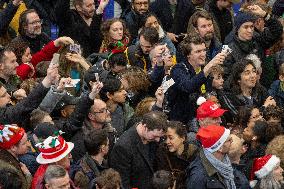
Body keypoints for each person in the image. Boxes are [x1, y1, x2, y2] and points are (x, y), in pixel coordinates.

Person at [168, 34, 226, 123]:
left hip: (204, 118)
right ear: (188, 55)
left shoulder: (204, 69)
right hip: (183, 121)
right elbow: (188, 87)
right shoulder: (178, 69)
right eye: (198, 51)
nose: (203, 54)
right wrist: (210, 65)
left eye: (204, 50)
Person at [109, 111, 167, 189]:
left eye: (160, 136)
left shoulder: (153, 138)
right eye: (155, 136)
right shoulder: (123, 147)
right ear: (145, 127)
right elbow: (122, 182)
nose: (157, 140)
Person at [223, 7, 283, 79]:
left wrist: (264, 14)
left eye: (251, 27)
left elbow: (277, 30)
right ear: (237, 28)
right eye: (246, 27)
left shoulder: (258, 39)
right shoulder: (228, 48)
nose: (249, 30)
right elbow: (226, 75)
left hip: (260, 86)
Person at [7, 36, 73, 80]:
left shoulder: (31, 61)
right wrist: (28, 66)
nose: (30, 56)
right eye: (27, 55)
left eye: (30, 53)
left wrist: (58, 41)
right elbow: (20, 72)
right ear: (18, 58)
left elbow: (44, 53)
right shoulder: (16, 71)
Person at [156, 121, 198, 189]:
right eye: (165, 138)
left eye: (171, 138)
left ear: (182, 138)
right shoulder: (162, 151)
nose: (167, 142)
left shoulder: (194, 153)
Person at [0, 125, 32, 189]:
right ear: (13, 148)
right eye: (24, 143)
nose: (29, 145)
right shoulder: (9, 170)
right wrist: (28, 175)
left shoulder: (8, 156)